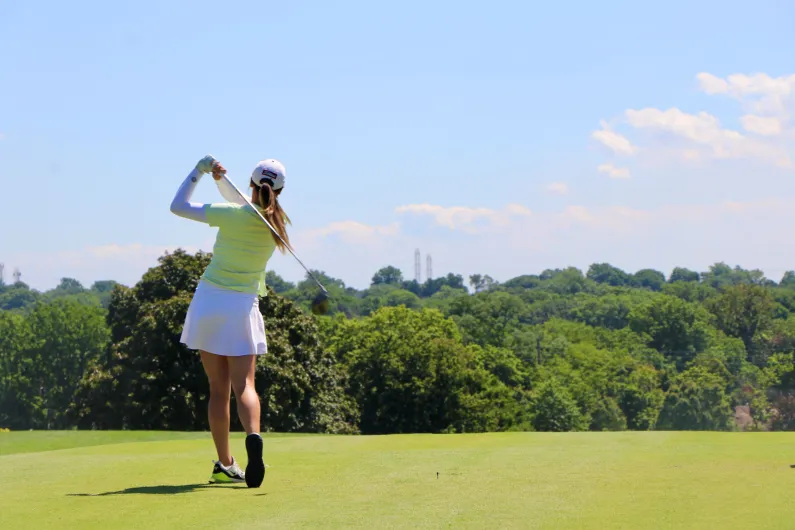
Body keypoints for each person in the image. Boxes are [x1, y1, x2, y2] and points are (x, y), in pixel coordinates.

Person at [169, 154, 291, 488]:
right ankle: (253, 435)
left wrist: (199, 171)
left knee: (218, 390)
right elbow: (246, 203)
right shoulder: (277, 225)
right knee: (245, 386)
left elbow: (178, 207)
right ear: (279, 190)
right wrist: (221, 180)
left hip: (209, 303)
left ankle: (225, 462)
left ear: (251, 184)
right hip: (241, 308)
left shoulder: (232, 213)